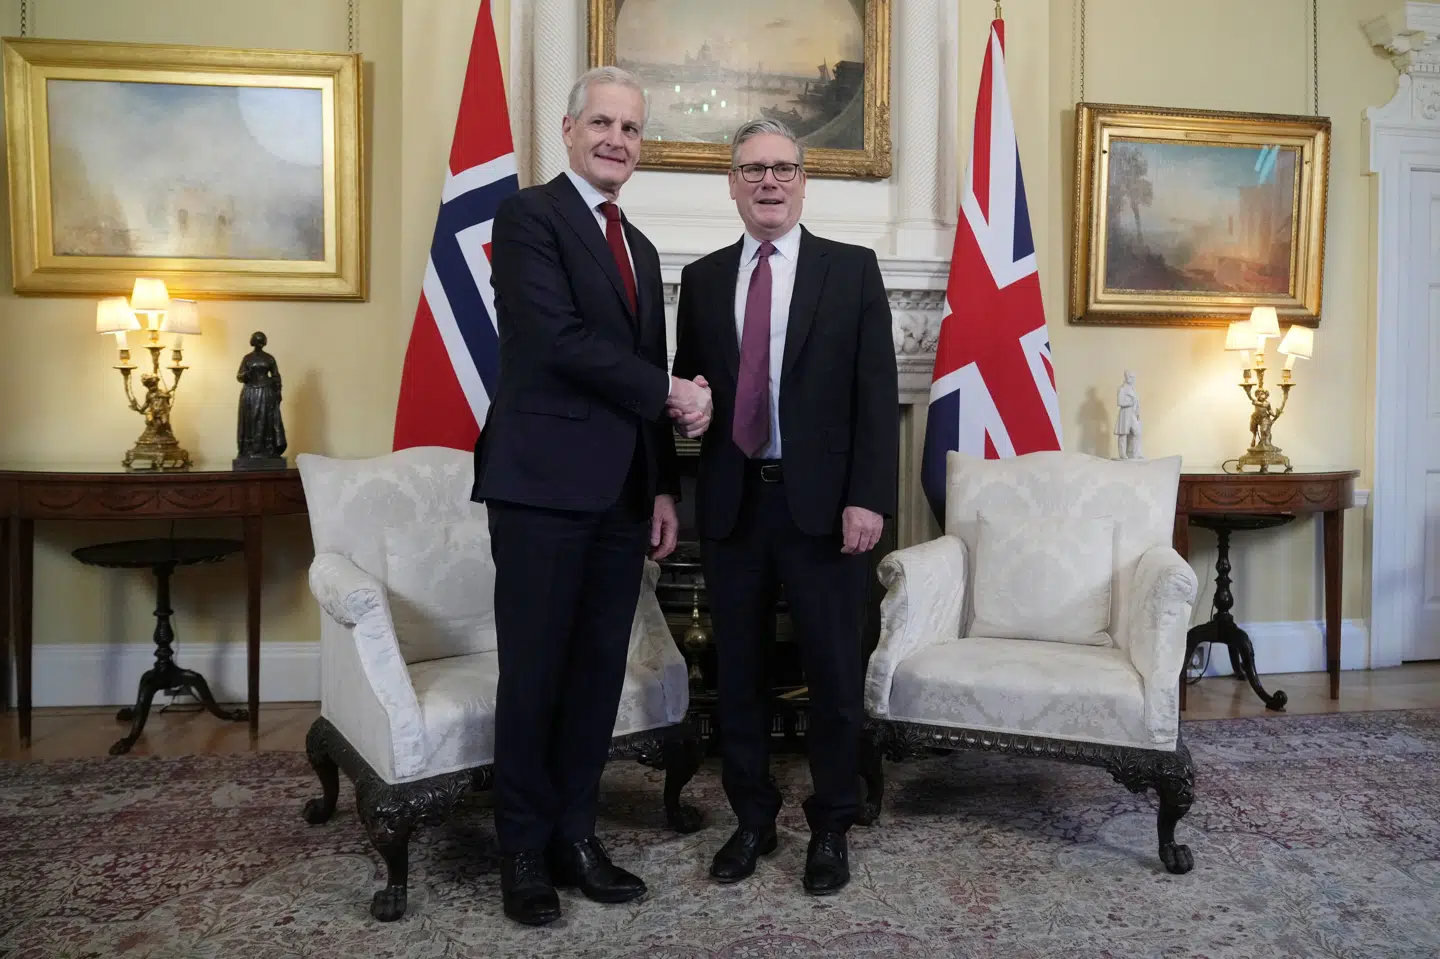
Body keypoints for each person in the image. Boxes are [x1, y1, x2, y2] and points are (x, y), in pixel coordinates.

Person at [471, 65, 713, 927]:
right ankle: (521, 851)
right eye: (602, 123)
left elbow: (639, 372)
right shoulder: (528, 217)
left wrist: (664, 487)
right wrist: (672, 391)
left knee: (595, 677)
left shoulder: (639, 247)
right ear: (569, 130)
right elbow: (557, 340)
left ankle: (576, 836)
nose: (617, 139)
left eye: (631, 128)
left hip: (621, 496)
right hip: (540, 487)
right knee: (535, 675)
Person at [670, 118, 898, 896]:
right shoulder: (701, 280)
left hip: (828, 511)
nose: (769, 181)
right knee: (738, 674)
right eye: (753, 170)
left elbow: (876, 395)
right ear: (731, 184)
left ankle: (832, 822)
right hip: (733, 507)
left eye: (783, 169)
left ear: (804, 181)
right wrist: (688, 412)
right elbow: (692, 389)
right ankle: (752, 818)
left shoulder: (852, 269)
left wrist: (869, 498)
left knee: (833, 674)